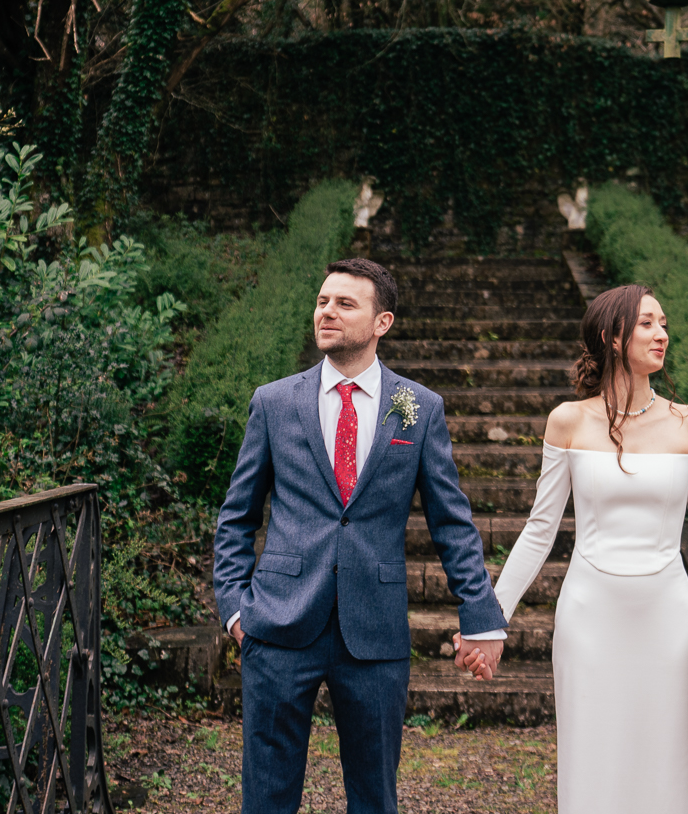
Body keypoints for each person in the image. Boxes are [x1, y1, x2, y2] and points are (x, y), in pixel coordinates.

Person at [212, 257, 507, 814]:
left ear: (382, 323)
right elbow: (237, 516)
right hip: (275, 627)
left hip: (374, 634)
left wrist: (481, 613)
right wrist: (234, 608)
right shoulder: (273, 402)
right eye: (323, 301)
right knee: (266, 798)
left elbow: (451, 521)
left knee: (374, 797)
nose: (327, 311)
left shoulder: (419, 408)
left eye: (345, 304)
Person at [491, 283, 688, 814]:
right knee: (592, 756)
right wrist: (493, 617)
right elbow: (540, 530)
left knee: (666, 757)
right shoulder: (568, 420)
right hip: (590, 614)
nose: (662, 334)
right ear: (611, 336)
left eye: (665, 323)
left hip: (669, 615)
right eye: (648, 323)